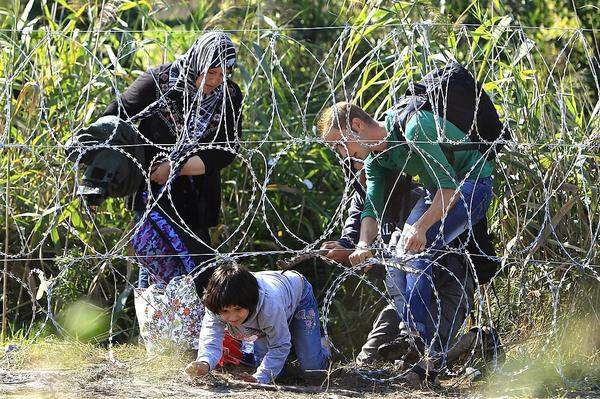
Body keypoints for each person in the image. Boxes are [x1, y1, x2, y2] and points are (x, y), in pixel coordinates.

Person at [317, 101, 494, 382]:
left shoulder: (413, 128)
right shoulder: (378, 159)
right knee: (400, 256)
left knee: (414, 252)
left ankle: (417, 340)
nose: (341, 153)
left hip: (471, 184)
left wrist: (421, 228)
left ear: (356, 125)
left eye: (339, 144)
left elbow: (450, 188)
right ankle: (420, 344)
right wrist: (363, 244)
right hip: (438, 191)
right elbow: (371, 208)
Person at [102, 32, 243, 290]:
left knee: (200, 275)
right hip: (152, 193)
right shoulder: (160, 82)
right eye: (211, 72)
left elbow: (226, 149)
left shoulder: (229, 95)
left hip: (197, 197)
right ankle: (156, 330)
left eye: (225, 73)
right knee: (156, 270)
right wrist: (127, 166)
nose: (217, 80)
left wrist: (175, 168)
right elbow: (113, 118)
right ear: (198, 62)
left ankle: (193, 330)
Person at [185, 262, 329, 384]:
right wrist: (204, 363)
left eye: (237, 309)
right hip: (263, 319)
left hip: (298, 295)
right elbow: (211, 338)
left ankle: (324, 347)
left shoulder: (269, 306)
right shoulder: (216, 303)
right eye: (225, 311)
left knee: (313, 370)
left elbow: (280, 344)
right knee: (276, 375)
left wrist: (259, 378)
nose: (232, 317)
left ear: (250, 303)